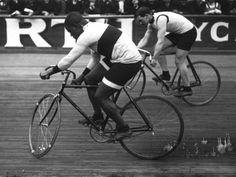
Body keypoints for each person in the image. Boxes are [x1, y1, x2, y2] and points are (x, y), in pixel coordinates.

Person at [39, 12, 142, 140]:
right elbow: (95, 58)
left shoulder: (86, 35)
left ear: (78, 26)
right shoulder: (93, 28)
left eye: (71, 31)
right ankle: (98, 117)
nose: (71, 35)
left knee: (101, 96)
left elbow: (68, 60)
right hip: (116, 58)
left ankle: (124, 128)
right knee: (90, 80)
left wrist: (50, 72)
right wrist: (82, 77)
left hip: (128, 62)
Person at [135, 6, 197, 97]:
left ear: (147, 16)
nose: (140, 23)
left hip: (188, 33)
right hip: (177, 32)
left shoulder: (160, 20)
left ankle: (187, 88)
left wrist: (155, 59)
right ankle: (166, 74)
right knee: (156, 49)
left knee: (179, 61)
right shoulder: (150, 24)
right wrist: (136, 48)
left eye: (141, 20)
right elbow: (145, 39)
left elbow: (160, 41)